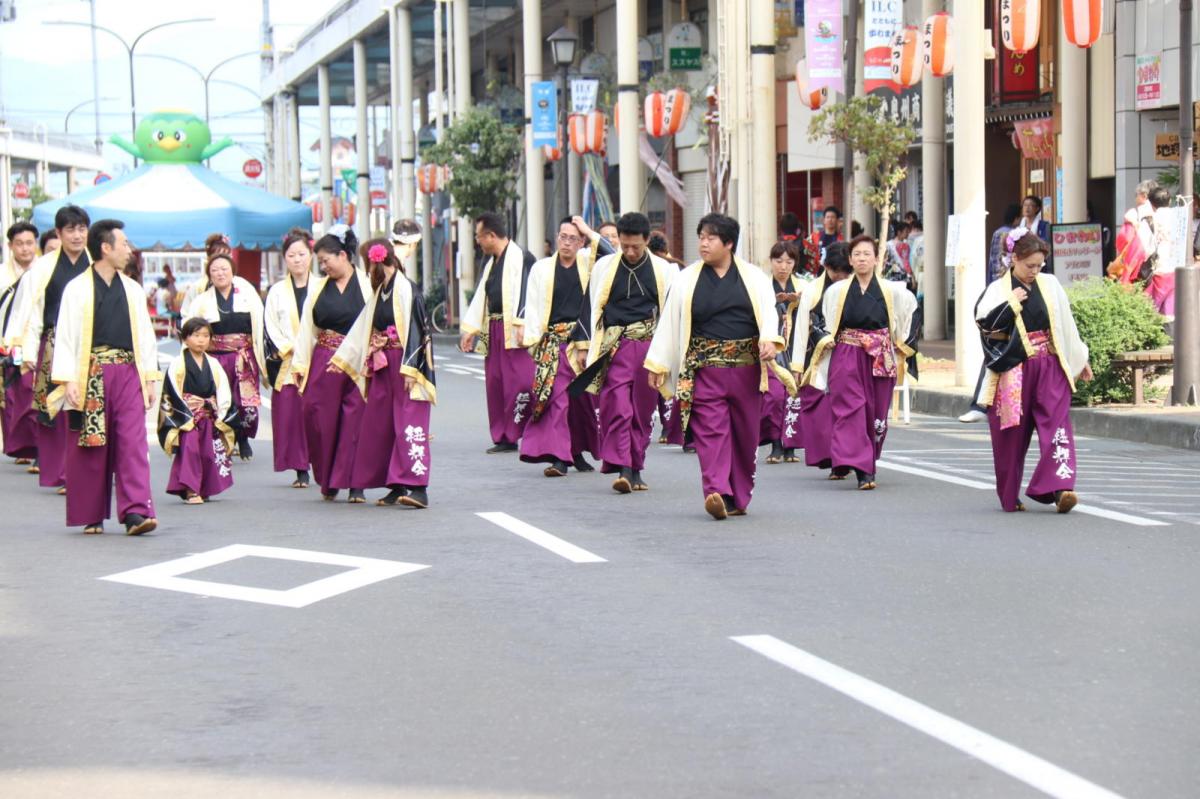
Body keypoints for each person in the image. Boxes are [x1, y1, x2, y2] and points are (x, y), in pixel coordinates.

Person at [645, 213, 784, 520]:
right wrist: (657, 364)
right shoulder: (686, 279)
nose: (703, 244)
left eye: (711, 238)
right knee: (711, 432)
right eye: (701, 237)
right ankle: (716, 491)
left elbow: (769, 315)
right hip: (705, 370)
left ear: (729, 243)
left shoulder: (754, 278)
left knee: (744, 436)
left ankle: (737, 496)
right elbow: (669, 322)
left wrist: (770, 340)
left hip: (747, 370)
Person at [49, 219, 159, 535]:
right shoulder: (77, 288)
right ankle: (90, 513)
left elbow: (145, 336)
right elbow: (67, 335)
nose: (128, 249)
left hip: (127, 371)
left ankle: (136, 511)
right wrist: (69, 378)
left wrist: (149, 378)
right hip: (90, 372)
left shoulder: (133, 289)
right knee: (90, 443)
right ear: (106, 248)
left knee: (133, 441)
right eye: (123, 243)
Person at [974, 230, 1092, 514]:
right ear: (1014, 258)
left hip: (1050, 362)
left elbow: (1065, 323)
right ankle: (1009, 493)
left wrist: (1079, 357)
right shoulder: (997, 289)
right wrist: (1012, 302)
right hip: (1014, 368)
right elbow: (986, 325)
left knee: (1058, 423)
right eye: (1030, 266)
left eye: (1040, 266)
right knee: (1011, 433)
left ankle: (1061, 487)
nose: (1035, 271)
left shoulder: (1049, 284)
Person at [571, 211, 677, 493]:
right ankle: (623, 468)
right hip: (614, 346)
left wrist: (668, 355)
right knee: (616, 406)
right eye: (624, 245)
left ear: (647, 241)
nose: (629, 252)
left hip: (648, 347)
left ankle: (636, 467)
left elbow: (672, 316)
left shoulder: (664, 270)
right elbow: (589, 305)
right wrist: (582, 346)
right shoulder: (605, 267)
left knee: (642, 411)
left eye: (636, 247)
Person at [808, 234, 919, 490]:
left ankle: (863, 459)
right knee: (850, 409)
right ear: (850, 259)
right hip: (847, 353)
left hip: (880, 354)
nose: (861, 259)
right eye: (856, 254)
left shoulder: (893, 291)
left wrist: (903, 345)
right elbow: (818, 320)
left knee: (876, 413)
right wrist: (825, 339)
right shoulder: (836, 291)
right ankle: (862, 470)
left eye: (867, 254)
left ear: (876, 259)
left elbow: (912, 314)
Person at [334, 239, 436, 509]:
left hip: (404, 363)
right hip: (383, 363)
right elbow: (364, 326)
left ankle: (418, 486)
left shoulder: (407, 289)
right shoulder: (382, 290)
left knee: (408, 423)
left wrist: (412, 368)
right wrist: (343, 358)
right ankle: (396, 483)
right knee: (382, 424)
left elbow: (418, 331)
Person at [9, 204, 92, 494]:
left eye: (82, 228)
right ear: (59, 233)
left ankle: (89, 470)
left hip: (89, 346)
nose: (77, 235)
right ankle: (64, 471)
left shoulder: (95, 263)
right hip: (53, 345)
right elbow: (30, 313)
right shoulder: (43, 268)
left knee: (89, 407)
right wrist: (28, 352)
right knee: (55, 410)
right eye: (71, 229)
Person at [291, 225, 372, 502]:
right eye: (321, 262)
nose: (323, 267)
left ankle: (355, 484)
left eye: (326, 260)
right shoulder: (317, 289)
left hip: (357, 362)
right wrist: (300, 365)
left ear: (343, 255)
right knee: (317, 416)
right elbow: (306, 329)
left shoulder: (367, 283)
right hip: (324, 359)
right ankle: (328, 478)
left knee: (355, 421)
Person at [519, 217, 599, 477]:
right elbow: (531, 305)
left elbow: (611, 253)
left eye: (573, 238)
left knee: (581, 402)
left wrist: (588, 229)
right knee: (556, 400)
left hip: (581, 343)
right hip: (552, 343)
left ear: (581, 242)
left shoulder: (589, 264)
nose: (566, 243)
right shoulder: (542, 269)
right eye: (562, 236)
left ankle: (575, 451)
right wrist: (533, 341)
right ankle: (559, 457)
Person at [459, 211, 537, 453]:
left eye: (479, 236)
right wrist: (471, 329)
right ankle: (503, 435)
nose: (478, 241)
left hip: (514, 328)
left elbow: (528, 292)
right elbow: (483, 295)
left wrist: (523, 323)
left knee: (520, 382)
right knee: (496, 383)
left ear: (491, 235)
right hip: (493, 328)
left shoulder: (522, 257)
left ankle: (517, 430)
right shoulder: (492, 261)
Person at [186, 252, 266, 461]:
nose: (220, 273)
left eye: (224, 269)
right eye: (215, 270)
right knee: (220, 400)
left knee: (245, 402)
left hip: (243, 356)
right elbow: (191, 327)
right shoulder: (202, 301)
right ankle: (221, 440)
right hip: (216, 357)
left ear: (232, 271)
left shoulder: (247, 294)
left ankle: (243, 438)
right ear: (209, 276)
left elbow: (259, 324)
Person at [789, 242, 852, 472]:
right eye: (837, 272)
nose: (841, 277)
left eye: (846, 272)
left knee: (848, 410)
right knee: (822, 412)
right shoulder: (813, 290)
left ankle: (846, 457)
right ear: (827, 267)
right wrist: (797, 365)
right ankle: (830, 457)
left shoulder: (856, 285)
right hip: (819, 357)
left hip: (850, 356)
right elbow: (801, 329)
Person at [159, 317, 237, 504]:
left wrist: (221, 412)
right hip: (187, 416)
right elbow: (172, 392)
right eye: (196, 335)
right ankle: (191, 490)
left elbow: (223, 390)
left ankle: (205, 487)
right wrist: (186, 414)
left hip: (209, 415)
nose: (201, 340)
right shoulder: (178, 364)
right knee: (190, 450)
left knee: (207, 452)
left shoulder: (214, 364)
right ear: (185, 338)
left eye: (205, 336)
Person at [264, 228, 315, 487]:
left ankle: (323, 462)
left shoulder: (322, 286)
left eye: (302, 254)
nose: (298, 260)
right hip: (289, 360)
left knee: (318, 414)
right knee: (292, 416)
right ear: (285, 258)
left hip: (317, 358)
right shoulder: (276, 292)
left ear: (311, 255)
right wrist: (289, 347)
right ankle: (300, 468)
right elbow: (270, 325)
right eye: (292, 255)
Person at [1, 222, 40, 466]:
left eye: (29, 243)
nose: (25, 249)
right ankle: (22, 445)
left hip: (35, 342)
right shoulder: (2, 274)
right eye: (19, 244)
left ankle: (38, 447)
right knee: (12, 398)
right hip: (8, 343)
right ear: (11, 246)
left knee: (34, 395)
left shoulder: (44, 272)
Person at [761, 241, 802, 465]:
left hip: (795, 346)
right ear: (771, 262)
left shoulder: (803, 286)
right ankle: (776, 443)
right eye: (779, 261)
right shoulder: (763, 287)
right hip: (772, 348)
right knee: (775, 397)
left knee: (794, 397)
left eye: (788, 261)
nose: (783, 266)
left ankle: (791, 446)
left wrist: (799, 302)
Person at [179, 233, 231, 318]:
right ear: (209, 258)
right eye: (218, 257)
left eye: (226, 257)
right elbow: (186, 315)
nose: (222, 261)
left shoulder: (241, 285)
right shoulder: (198, 287)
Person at [1146, 186, 1176, 317]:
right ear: (1169, 202)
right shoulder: (1180, 217)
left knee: (1153, 312)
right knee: (1171, 313)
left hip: (1159, 270)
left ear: (1151, 204)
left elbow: (1146, 249)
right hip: (1178, 270)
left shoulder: (1149, 220)